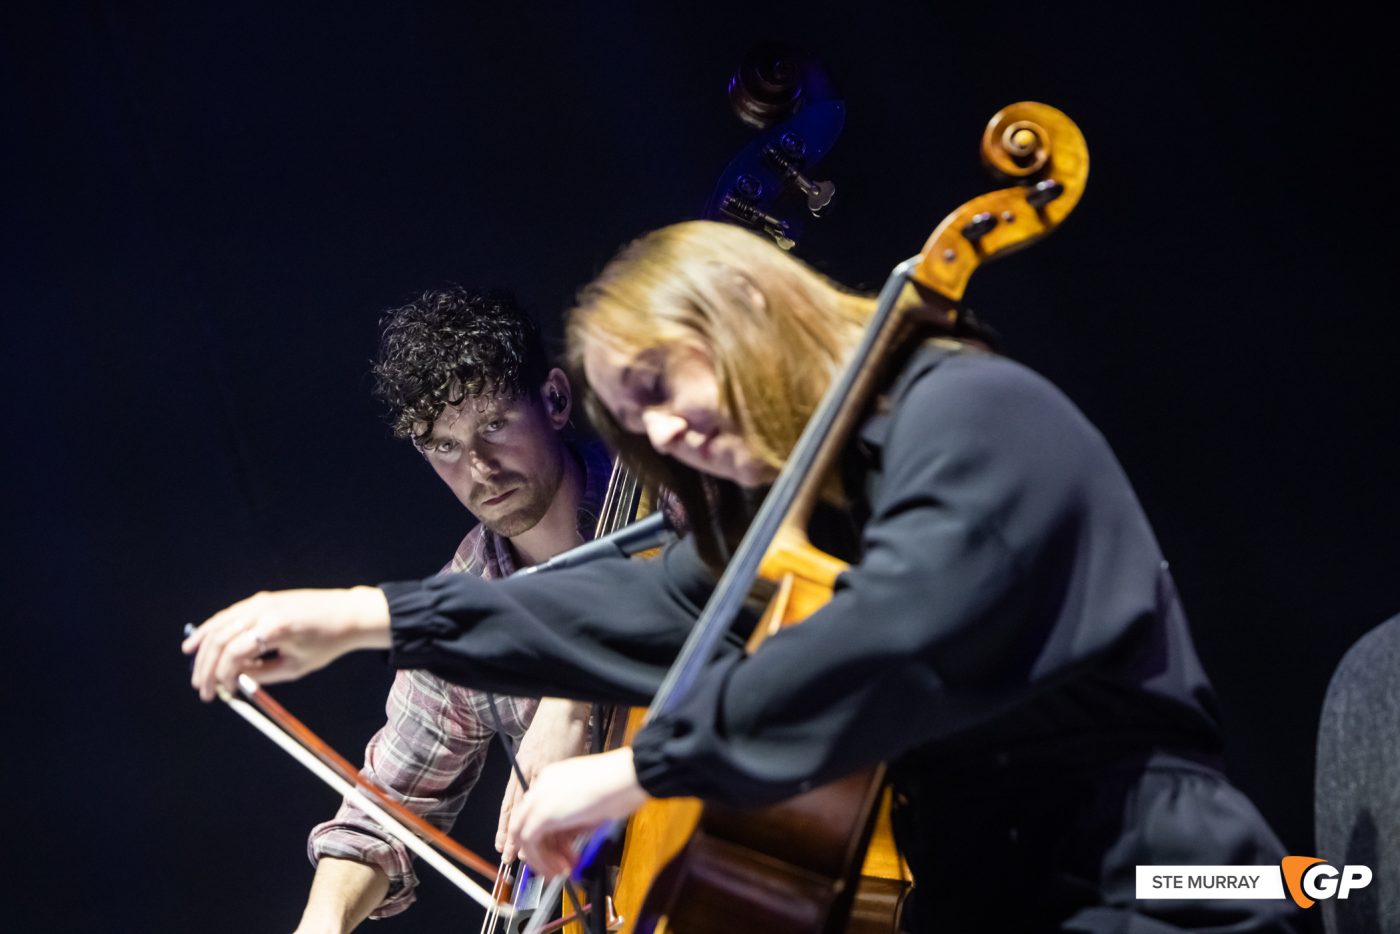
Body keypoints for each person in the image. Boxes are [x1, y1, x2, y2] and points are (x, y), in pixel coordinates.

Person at [188, 222, 1302, 932]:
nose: (669, 429)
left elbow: (892, 639)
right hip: (986, 899)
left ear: (751, 314)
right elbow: (648, 592)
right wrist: (365, 615)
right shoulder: (801, 515)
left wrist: (635, 774)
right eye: (642, 419)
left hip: (1156, 881)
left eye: (666, 385)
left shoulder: (962, 411)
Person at [294, 287, 611, 933]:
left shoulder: (673, 490)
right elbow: (385, 809)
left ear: (553, 399)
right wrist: (321, 923)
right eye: (443, 446)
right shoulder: (467, 594)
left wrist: (568, 696)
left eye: (494, 425)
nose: (479, 468)